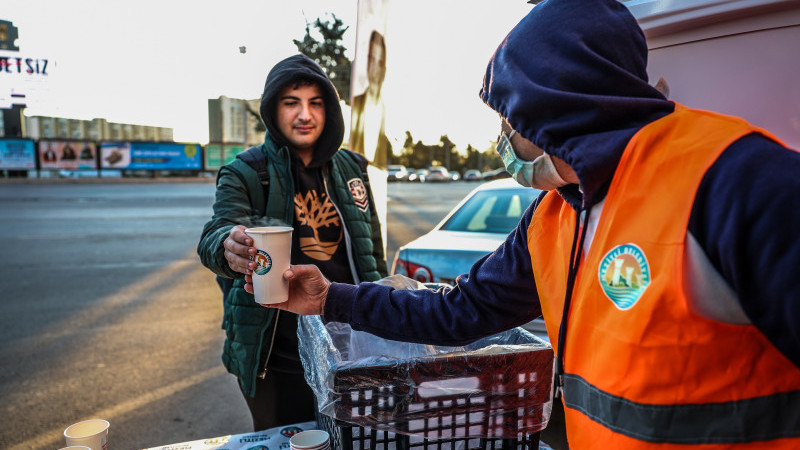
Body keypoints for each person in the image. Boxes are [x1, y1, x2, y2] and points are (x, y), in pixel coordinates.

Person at [250, 0, 800, 448]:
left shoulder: (736, 179)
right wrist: (332, 298)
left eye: (510, 117)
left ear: (556, 104)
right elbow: (457, 311)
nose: (505, 139)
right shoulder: (557, 212)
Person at [197, 53, 388, 432]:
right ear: (272, 110)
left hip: (351, 351)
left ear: (330, 109)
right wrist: (228, 247)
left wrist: (384, 318)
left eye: (316, 103)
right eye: (291, 103)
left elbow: (373, 251)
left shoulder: (354, 168)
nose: (305, 115)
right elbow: (215, 233)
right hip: (276, 358)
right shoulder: (246, 172)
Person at [349, 30, 389, 169]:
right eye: (371, 59)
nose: (374, 68)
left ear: (384, 68)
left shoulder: (386, 110)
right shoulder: (355, 104)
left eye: (379, 62)